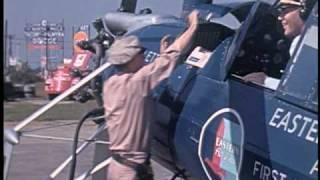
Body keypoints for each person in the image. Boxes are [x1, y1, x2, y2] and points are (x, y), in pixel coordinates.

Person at [103, 10, 199, 180]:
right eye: (141, 53)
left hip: (118, 167)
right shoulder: (136, 84)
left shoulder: (111, 84)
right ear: (131, 59)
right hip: (132, 173)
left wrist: (161, 57)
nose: (144, 56)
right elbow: (173, 54)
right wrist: (193, 26)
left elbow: (151, 70)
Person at [243, 0, 316, 87]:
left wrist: (265, 81)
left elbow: (298, 88)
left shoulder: (304, 42)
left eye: (284, 10)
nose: (280, 17)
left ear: (304, 11)